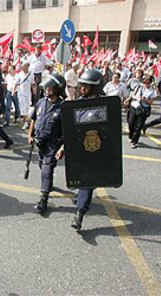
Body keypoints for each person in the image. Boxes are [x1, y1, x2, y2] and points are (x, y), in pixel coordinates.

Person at [71, 69, 105, 231]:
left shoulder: (104, 106)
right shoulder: (78, 102)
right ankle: (80, 196)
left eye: (87, 86)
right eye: (82, 85)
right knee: (80, 177)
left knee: (88, 181)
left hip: (95, 149)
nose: (82, 88)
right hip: (79, 147)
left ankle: (80, 212)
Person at [28, 74, 66, 213]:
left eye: (50, 87)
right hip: (40, 142)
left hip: (53, 144)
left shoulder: (63, 107)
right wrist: (30, 134)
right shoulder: (41, 101)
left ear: (57, 88)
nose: (47, 89)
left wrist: (62, 148)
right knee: (41, 165)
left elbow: (68, 131)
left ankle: (43, 199)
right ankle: (48, 184)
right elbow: (33, 118)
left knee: (46, 169)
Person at [127, 75, 154, 148]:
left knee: (138, 126)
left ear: (150, 83)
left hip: (143, 109)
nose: (145, 84)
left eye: (147, 83)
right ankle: (131, 136)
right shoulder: (139, 86)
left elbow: (151, 102)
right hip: (135, 106)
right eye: (144, 82)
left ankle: (134, 141)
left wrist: (144, 99)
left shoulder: (151, 91)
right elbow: (132, 95)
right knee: (131, 123)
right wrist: (136, 97)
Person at [14, 62, 34, 129]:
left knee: (28, 109)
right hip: (21, 94)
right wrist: (13, 91)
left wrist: (34, 92)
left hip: (28, 94)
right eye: (22, 66)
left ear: (27, 66)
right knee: (23, 109)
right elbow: (16, 83)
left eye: (24, 66)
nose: (22, 67)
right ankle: (25, 123)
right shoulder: (19, 74)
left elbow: (32, 84)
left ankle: (27, 123)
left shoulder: (31, 74)